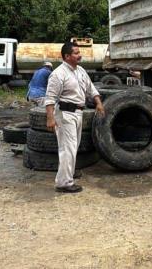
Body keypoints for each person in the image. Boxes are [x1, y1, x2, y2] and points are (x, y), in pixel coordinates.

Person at [44, 42, 105, 193]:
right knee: (68, 148)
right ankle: (64, 183)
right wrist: (50, 119)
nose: (80, 55)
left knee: (73, 147)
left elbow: (91, 88)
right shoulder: (58, 74)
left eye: (79, 52)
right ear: (67, 56)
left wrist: (98, 102)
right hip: (65, 114)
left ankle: (68, 174)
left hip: (78, 113)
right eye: (76, 53)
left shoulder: (81, 71)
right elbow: (50, 98)